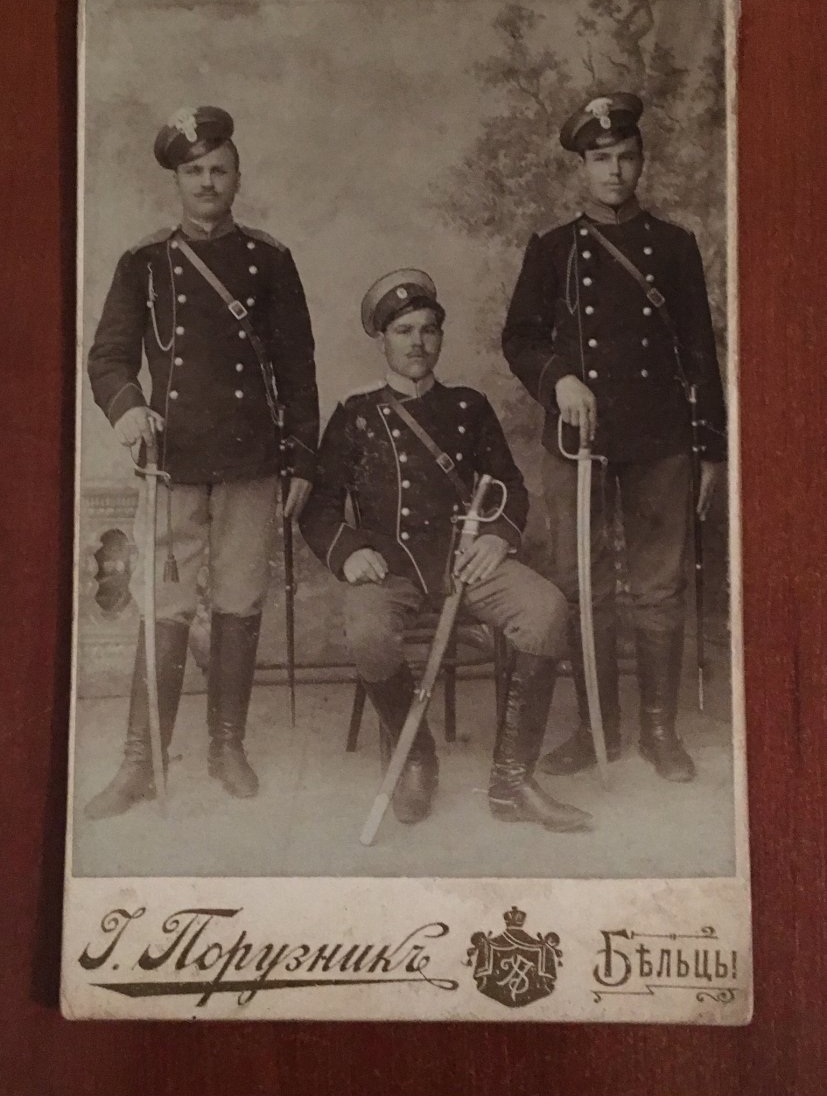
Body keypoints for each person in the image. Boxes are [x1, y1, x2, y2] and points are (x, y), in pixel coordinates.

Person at [85, 106, 319, 817]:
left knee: (239, 602)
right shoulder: (145, 263)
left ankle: (227, 747)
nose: (207, 181)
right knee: (164, 608)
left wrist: (302, 460)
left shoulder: (269, 261)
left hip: (251, 460)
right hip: (172, 463)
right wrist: (128, 409)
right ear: (177, 181)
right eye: (194, 171)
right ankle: (140, 762)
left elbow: (297, 368)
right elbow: (108, 357)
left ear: (237, 177)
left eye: (219, 169)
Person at [300, 269, 592, 832]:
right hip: (390, 568)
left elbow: (511, 487)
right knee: (367, 632)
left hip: (467, 564)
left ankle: (512, 782)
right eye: (404, 331)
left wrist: (497, 536)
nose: (417, 342)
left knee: (547, 608)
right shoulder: (356, 414)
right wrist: (348, 553)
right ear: (382, 340)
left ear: (439, 337)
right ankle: (415, 756)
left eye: (428, 330)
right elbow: (320, 506)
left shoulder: (468, 407)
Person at [502, 93, 726, 783]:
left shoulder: (674, 246)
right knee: (583, 584)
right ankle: (594, 726)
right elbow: (519, 338)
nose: (615, 171)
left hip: (660, 438)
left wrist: (710, 448)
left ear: (641, 162)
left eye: (626, 157)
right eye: (601, 159)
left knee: (658, 585)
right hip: (579, 441)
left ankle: (659, 730)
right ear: (582, 167)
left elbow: (699, 350)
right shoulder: (552, 249)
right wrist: (560, 380)